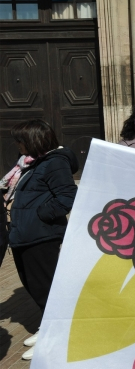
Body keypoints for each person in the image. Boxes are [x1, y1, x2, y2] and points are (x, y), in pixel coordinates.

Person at [5, 119, 78, 360]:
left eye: (21, 140)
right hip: (23, 235)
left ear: (34, 141)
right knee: (35, 287)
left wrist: (38, 215)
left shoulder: (55, 163)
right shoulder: (28, 164)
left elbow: (67, 197)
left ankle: (56, 340)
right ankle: (48, 328)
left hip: (41, 236)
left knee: (47, 289)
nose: (17, 144)